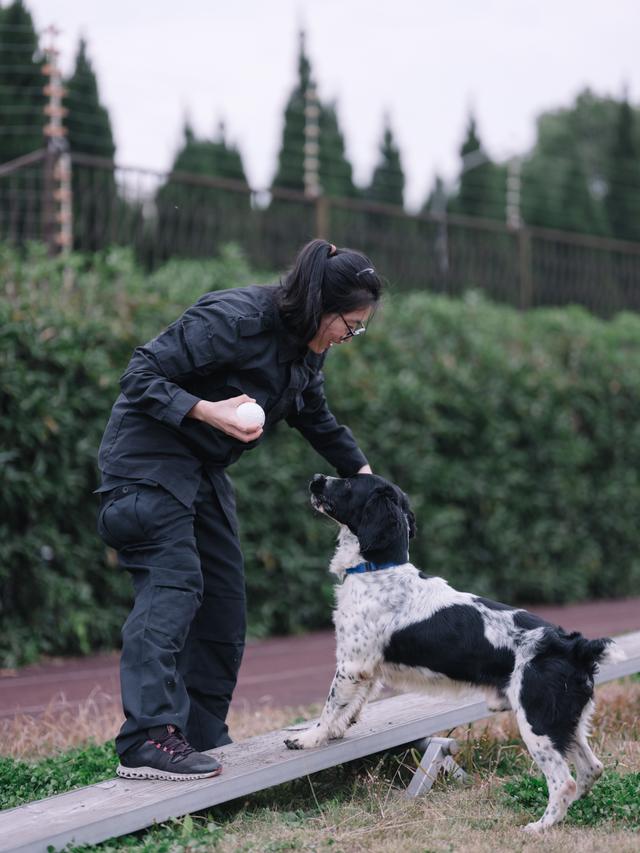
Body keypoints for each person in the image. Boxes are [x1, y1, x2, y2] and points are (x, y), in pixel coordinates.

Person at [95, 238, 382, 781]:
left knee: (224, 608)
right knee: (173, 587)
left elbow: (313, 414)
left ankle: (198, 737)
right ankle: (147, 738)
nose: (351, 336)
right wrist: (206, 409)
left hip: (202, 474)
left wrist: (367, 481)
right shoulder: (233, 319)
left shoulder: (303, 351)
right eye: (352, 324)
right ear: (323, 305)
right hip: (147, 464)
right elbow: (138, 375)